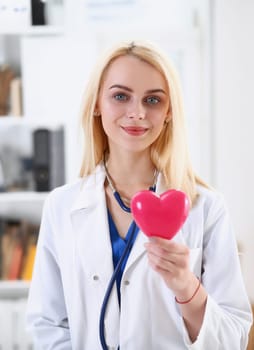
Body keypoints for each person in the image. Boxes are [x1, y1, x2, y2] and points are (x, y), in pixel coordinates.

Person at [26, 40, 253, 349]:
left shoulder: (207, 208)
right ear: (96, 103)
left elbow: (233, 339)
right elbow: (47, 326)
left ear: (169, 112)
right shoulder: (61, 206)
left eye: (153, 100)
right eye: (120, 96)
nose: (137, 112)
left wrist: (186, 287)